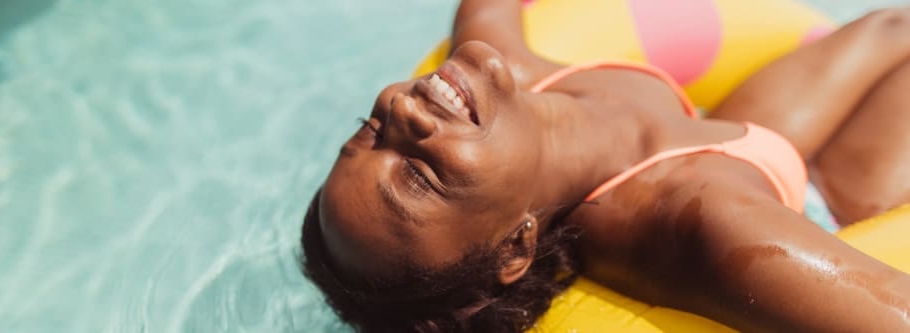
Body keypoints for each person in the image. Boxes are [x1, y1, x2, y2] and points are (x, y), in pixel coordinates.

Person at [301, 1, 910, 332]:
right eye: (419, 175)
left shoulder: (517, 70)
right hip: (820, 207)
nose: (405, 111)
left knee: (891, 24)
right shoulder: (702, 224)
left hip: (725, 130)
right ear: (516, 246)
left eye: (370, 130)